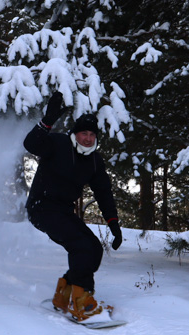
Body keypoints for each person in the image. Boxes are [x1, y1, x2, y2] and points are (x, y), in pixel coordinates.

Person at [24, 91, 123, 322]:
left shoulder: (95, 160)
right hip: (41, 208)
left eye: (91, 134)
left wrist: (113, 223)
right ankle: (82, 303)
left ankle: (64, 295)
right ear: (75, 134)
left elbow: (104, 192)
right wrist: (47, 120)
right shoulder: (57, 144)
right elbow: (31, 144)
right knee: (81, 247)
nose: (87, 138)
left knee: (93, 248)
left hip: (63, 212)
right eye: (83, 133)